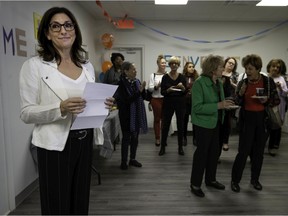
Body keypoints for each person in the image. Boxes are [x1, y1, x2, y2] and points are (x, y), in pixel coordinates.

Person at [19, 7, 114, 215]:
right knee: (57, 206)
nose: (63, 30)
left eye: (68, 25)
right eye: (56, 26)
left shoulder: (86, 66)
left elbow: (90, 102)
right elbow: (26, 113)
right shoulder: (34, 66)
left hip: (84, 140)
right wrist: (59, 108)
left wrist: (103, 105)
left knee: (80, 203)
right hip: (54, 146)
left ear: (75, 30)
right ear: (47, 33)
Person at [231, 54, 280, 193]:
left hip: (262, 120)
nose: (247, 71)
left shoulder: (267, 81)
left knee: (258, 153)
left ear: (258, 68)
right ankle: (235, 181)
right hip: (247, 120)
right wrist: (239, 94)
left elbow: (276, 100)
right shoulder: (243, 82)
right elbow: (237, 102)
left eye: (251, 68)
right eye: (246, 68)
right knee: (243, 152)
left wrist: (267, 101)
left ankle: (255, 180)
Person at [189, 55, 234, 197]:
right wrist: (219, 105)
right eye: (221, 66)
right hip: (203, 125)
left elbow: (217, 103)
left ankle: (210, 179)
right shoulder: (199, 83)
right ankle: (195, 184)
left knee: (214, 153)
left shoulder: (218, 82)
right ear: (213, 69)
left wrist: (225, 104)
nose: (223, 68)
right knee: (201, 155)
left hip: (216, 122)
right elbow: (197, 108)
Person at [114, 62, 148, 170]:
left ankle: (132, 159)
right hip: (126, 115)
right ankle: (123, 162)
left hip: (136, 114)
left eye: (135, 69)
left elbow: (144, 97)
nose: (135, 71)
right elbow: (126, 101)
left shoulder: (137, 82)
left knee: (135, 137)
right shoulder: (120, 84)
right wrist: (139, 91)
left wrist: (144, 91)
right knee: (126, 138)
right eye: (133, 69)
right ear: (126, 71)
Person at [158, 56, 186, 156]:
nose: (174, 65)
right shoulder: (165, 77)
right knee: (165, 125)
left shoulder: (182, 77)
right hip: (168, 103)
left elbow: (185, 92)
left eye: (176, 63)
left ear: (178, 65)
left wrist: (183, 88)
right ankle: (162, 147)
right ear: (169, 65)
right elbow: (162, 92)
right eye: (172, 63)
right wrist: (168, 90)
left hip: (180, 103)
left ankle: (180, 148)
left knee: (180, 125)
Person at [266, 59, 288, 156]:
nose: (275, 68)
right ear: (269, 67)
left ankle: (273, 147)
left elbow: (284, 94)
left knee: (277, 127)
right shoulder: (265, 77)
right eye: (273, 66)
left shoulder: (282, 79)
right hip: (267, 106)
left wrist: (279, 87)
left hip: (279, 107)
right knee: (266, 127)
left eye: (277, 67)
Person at [219, 57, 238, 153]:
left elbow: (239, 88)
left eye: (233, 64)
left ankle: (225, 142)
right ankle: (218, 142)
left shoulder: (235, 75)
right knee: (219, 123)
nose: (231, 65)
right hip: (219, 100)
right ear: (225, 63)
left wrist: (232, 83)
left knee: (227, 122)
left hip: (230, 100)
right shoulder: (219, 73)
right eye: (229, 62)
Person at [148, 54, 167, 146]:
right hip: (156, 100)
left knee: (165, 120)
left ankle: (164, 138)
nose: (164, 64)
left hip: (166, 100)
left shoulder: (167, 75)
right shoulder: (153, 75)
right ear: (158, 64)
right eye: (162, 63)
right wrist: (157, 86)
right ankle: (157, 138)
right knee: (157, 119)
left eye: (165, 63)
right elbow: (150, 88)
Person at [182, 62, 199, 146]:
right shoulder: (182, 77)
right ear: (186, 68)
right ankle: (184, 138)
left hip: (194, 102)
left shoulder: (197, 78)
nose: (192, 68)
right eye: (190, 67)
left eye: (193, 67)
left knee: (195, 121)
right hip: (184, 102)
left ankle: (195, 138)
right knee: (184, 121)